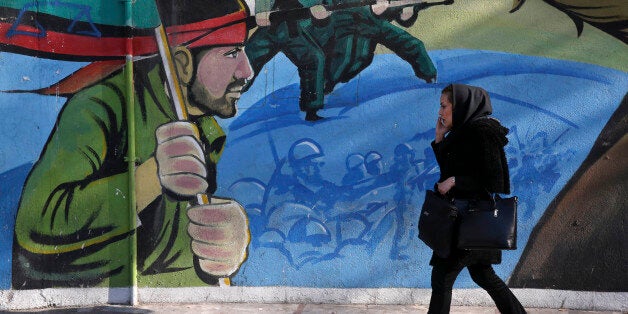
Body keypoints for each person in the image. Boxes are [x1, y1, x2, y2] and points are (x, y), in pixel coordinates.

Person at [12, 0, 253, 289]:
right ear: (182, 64)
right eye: (232, 53)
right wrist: (150, 177)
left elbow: (166, 252)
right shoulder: (100, 107)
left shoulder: (203, 129)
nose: (246, 71)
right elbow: (37, 222)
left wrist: (224, 247)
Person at [428, 84, 525, 313]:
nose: (440, 113)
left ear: (461, 106)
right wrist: (440, 140)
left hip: (469, 220)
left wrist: (454, 182)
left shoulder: (481, 132)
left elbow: (492, 180)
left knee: (442, 278)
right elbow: (451, 169)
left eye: (444, 106)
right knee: (484, 275)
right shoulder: (463, 132)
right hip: (467, 220)